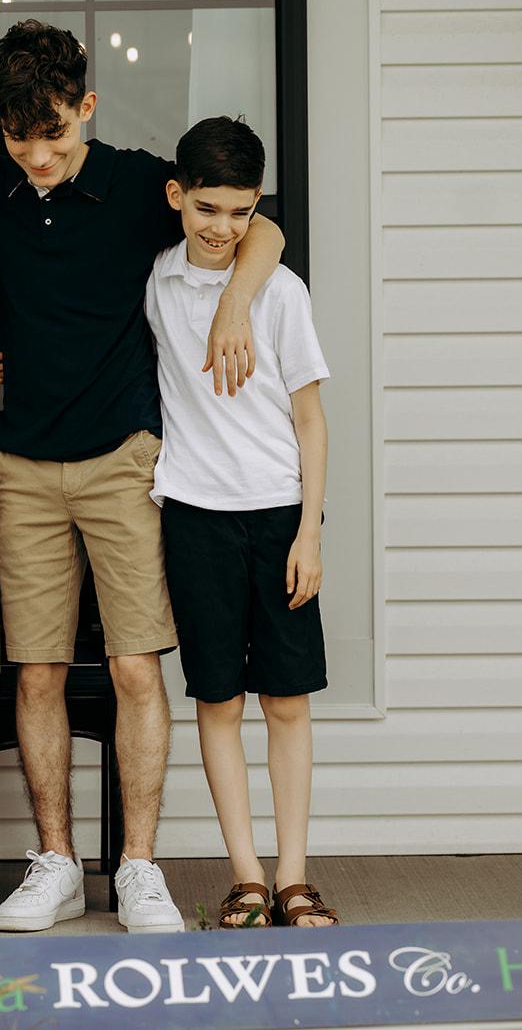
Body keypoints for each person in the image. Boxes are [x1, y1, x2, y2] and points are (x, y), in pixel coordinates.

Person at [0, 20, 287, 934]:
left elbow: (261, 225)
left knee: (137, 665)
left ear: (87, 108)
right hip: (21, 459)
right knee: (36, 671)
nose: (37, 157)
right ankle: (57, 860)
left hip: (121, 457)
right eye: (20, 137)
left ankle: (138, 864)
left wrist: (233, 303)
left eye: (55, 136)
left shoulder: (147, 182)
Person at [148, 116, 335, 929]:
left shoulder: (280, 292)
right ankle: (248, 876)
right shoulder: (155, 282)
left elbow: (311, 419)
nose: (221, 227)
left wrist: (310, 531)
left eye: (239, 211)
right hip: (194, 515)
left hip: (277, 513)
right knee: (217, 702)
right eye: (207, 209)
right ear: (177, 198)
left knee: (286, 702)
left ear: (257, 209)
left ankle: (295, 876)